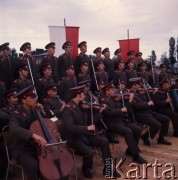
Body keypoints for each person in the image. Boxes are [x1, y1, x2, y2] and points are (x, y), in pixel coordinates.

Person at [63, 85, 121, 178]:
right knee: (89, 152)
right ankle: (85, 168)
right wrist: (86, 128)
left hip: (86, 135)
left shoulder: (83, 106)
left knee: (104, 141)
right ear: (78, 95)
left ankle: (108, 169)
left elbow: (91, 121)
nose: (85, 96)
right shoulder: (68, 108)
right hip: (75, 138)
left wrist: (99, 111)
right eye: (83, 94)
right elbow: (70, 127)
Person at [100, 82, 147, 164]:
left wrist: (130, 100)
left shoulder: (115, 98)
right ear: (106, 91)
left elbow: (125, 108)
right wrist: (120, 110)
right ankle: (135, 155)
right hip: (112, 123)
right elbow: (107, 113)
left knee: (138, 129)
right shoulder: (103, 100)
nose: (114, 91)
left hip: (121, 121)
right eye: (112, 90)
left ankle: (130, 150)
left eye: (114, 89)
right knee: (128, 131)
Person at [9, 85, 47, 180]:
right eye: (32, 97)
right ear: (23, 101)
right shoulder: (16, 114)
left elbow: (46, 125)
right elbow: (13, 129)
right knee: (33, 166)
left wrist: (42, 112)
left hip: (36, 147)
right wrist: (32, 135)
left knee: (48, 162)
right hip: (22, 150)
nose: (35, 99)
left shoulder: (35, 111)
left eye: (35, 97)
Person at [130, 77, 171, 145]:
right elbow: (136, 106)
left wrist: (152, 93)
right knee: (157, 125)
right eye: (138, 85)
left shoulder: (139, 93)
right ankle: (145, 137)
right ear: (134, 85)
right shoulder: (131, 94)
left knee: (166, 119)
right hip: (141, 115)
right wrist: (147, 104)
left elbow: (150, 100)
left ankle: (161, 138)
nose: (140, 86)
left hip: (149, 113)